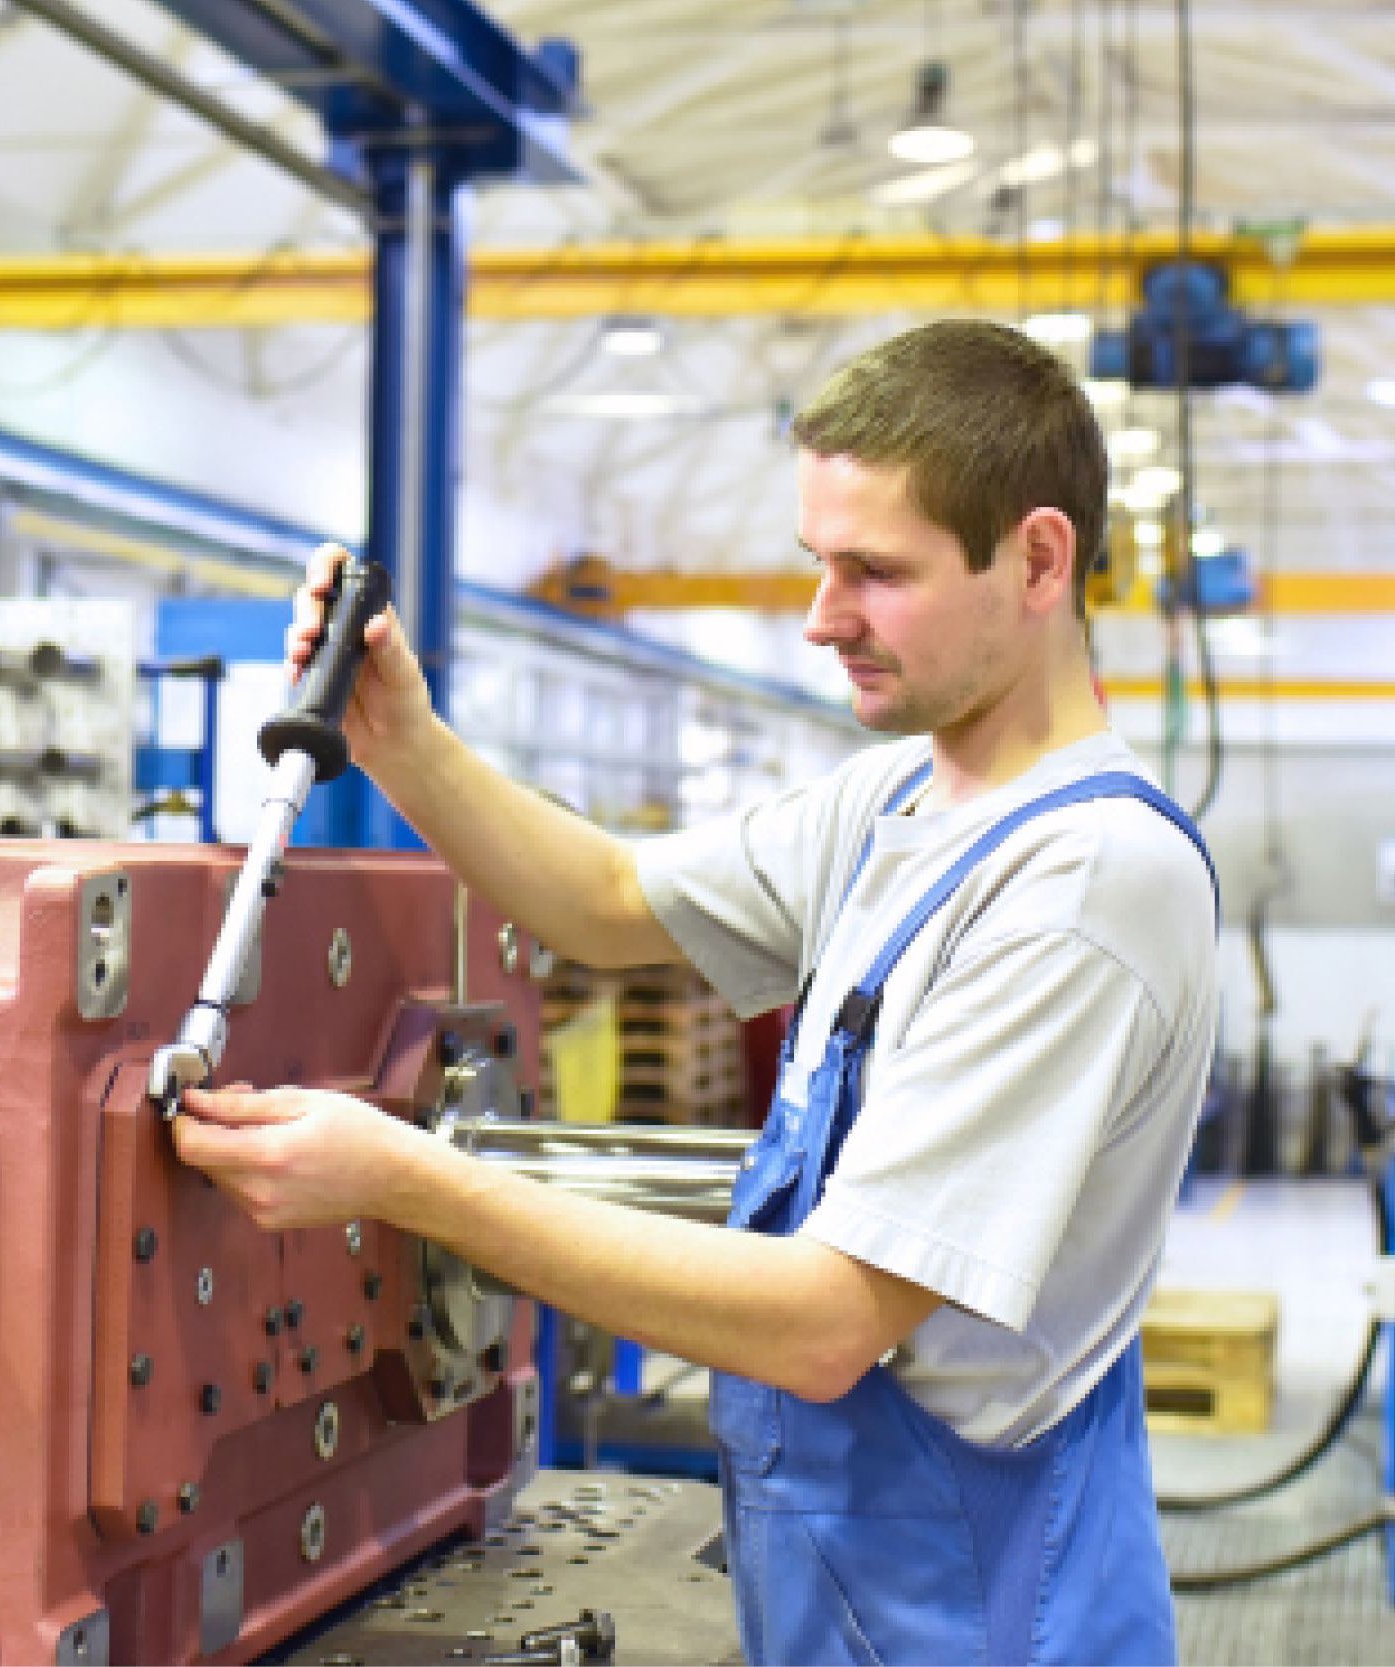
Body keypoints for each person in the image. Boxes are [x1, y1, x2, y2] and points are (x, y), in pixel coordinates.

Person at [173, 318, 1219, 1666]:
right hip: (855, 1581)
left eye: (874, 572)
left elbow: (828, 1321)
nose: (821, 616)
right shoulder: (900, 796)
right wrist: (404, 741)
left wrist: (409, 1183)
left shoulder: (1082, 880)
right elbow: (608, 903)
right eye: (817, 561)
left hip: (983, 1609)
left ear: (1036, 558)